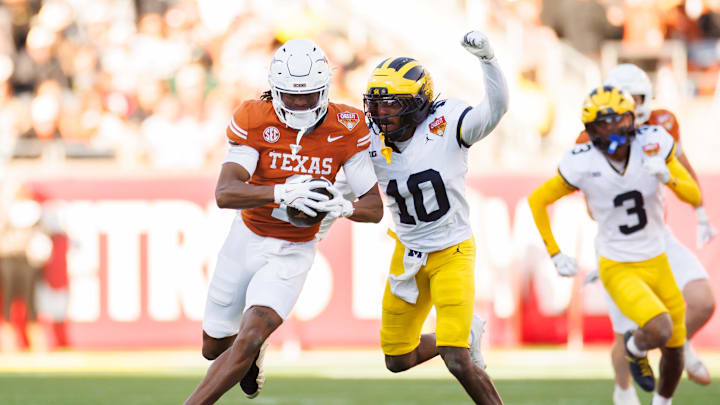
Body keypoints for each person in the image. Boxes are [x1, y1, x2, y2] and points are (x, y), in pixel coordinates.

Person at [184, 38, 383, 405]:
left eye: (309, 95)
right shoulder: (254, 117)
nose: (301, 103)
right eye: (292, 95)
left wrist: (342, 207)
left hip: (294, 248)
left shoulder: (347, 125)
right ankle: (253, 354)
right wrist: (280, 193)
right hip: (246, 237)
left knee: (250, 334)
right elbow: (225, 192)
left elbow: (374, 207)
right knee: (214, 347)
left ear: (325, 88)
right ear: (275, 91)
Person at [358, 31, 508, 404]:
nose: (381, 114)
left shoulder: (446, 125)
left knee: (458, 359)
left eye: (392, 105)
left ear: (418, 104)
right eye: (376, 106)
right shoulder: (371, 139)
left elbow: (496, 109)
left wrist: (488, 60)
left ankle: (458, 341)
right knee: (397, 358)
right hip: (408, 252)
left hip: (451, 252)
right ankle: (460, 333)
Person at [528, 86, 702, 405]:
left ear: (631, 119)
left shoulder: (653, 144)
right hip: (618, 265)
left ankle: (662, 403)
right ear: (589, 130)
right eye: (601, 124)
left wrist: (668, 177)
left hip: (657, 258)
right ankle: (635, 348)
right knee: (660, 329)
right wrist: (554, 251)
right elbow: (538, 200)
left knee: (675, 350)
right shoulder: (581, 160)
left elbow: (694, 195)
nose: (610, 130)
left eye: (615, 120)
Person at [577, 64, 716, 404]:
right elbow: (588, 206)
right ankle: (623, 393)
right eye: (625, 98)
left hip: (658, 236)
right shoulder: (591, 138)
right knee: (625, 334)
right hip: (619, 248)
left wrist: (698, 211)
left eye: (636, 97)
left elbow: (683, 170)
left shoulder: (661, 125)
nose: (631, 105)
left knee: (702, 301)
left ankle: (678, 343)